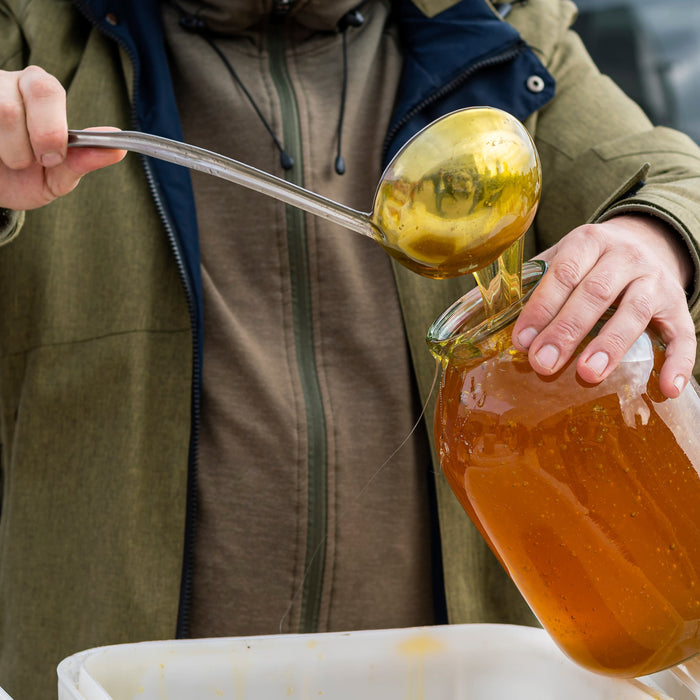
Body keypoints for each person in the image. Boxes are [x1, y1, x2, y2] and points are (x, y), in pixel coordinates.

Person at [1, 0, 699, 697]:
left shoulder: (495, 29)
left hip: (443, 681)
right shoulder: (34, 35)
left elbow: (675, 178)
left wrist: (656, 237)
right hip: (114, 679)